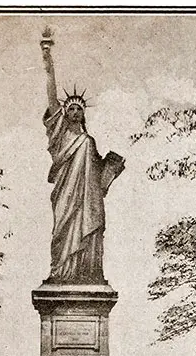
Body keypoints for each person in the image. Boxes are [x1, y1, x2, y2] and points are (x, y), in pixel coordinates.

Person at [40, 29, 125, 284]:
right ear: (64, 113)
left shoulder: (89, 141)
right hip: (67, 196)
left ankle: (86, 273)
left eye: (79, 109)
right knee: (62, 232)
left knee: (89, 230)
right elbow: (51, 94)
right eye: (71, 108)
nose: (75, 112)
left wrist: (111, 168)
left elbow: (99, 178)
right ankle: (61, 272)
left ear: (83, 114)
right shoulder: (60, 136)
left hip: (88, 201)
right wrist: (48, 60)